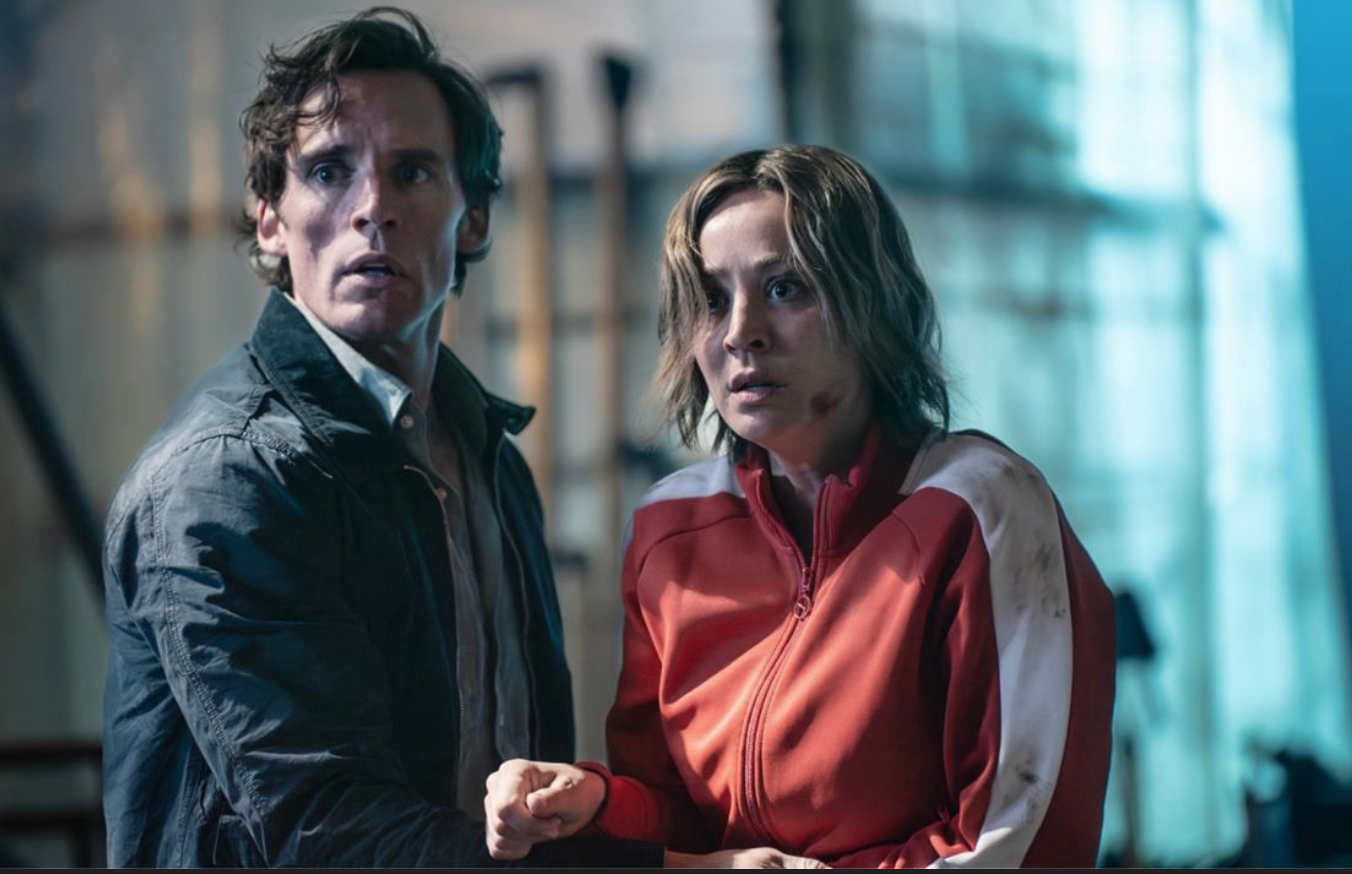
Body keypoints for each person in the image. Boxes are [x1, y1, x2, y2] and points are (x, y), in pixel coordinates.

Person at [101, 9, 659, 867]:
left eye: (413, 173)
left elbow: (528, 795)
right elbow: (333, 833)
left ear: (473, 221)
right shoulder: (227, 478)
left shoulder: (488, 456)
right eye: (329, 172)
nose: (372, 210)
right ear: (270, 220)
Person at [483, 145, 1117, 868]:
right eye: (712, 299)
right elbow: (676, 824)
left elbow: (1017, 842)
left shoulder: (980, 509)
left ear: (873, 302)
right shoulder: (668, 527)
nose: (740, 332)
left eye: (785, 288)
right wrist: (595, 803)